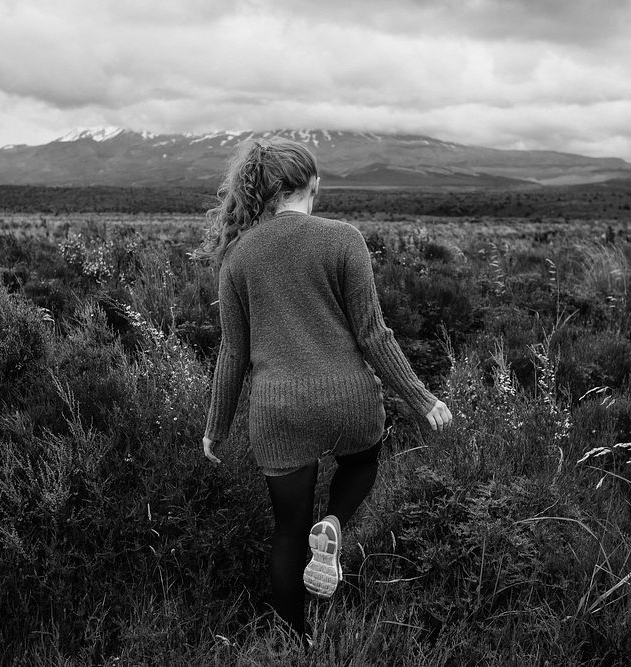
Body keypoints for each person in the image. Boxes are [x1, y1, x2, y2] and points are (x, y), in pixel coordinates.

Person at [194, 136, 452, 642]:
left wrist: (215, 427)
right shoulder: (344, 239)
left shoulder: (238, 257)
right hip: (349, 400)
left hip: (279, 412)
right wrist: (424, 400)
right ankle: (333, 521)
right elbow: (374, 334)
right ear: (312, 186)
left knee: (287, 533)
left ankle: (295, 643)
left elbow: (232, 352)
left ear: (263, 193)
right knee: (364, 457)